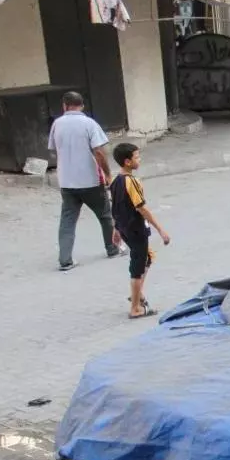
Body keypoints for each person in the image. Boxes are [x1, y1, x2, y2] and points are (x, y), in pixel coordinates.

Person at [48, 91, 123, 271]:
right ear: (82, 105)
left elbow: (53, 149)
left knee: (67, 220)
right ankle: (112, 248)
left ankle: (65, 259)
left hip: (67, 182)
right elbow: (99, 152)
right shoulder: (89, 124)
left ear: (65, 105)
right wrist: (107, 173)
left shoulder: (56, 124)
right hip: (90, 180)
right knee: (105, 215)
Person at [109, 143, 170, 319]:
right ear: (127, 162)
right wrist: (161, 230)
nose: (139, 160)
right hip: (135, 229)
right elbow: (142, 208)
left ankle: (137, 294)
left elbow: (116, 208)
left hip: (125, 228)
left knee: (147, 258)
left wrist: (116, 229)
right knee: (138, 266)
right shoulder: (132, 182)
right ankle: (135, 307)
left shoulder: (114, 181)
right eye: (136, 157)